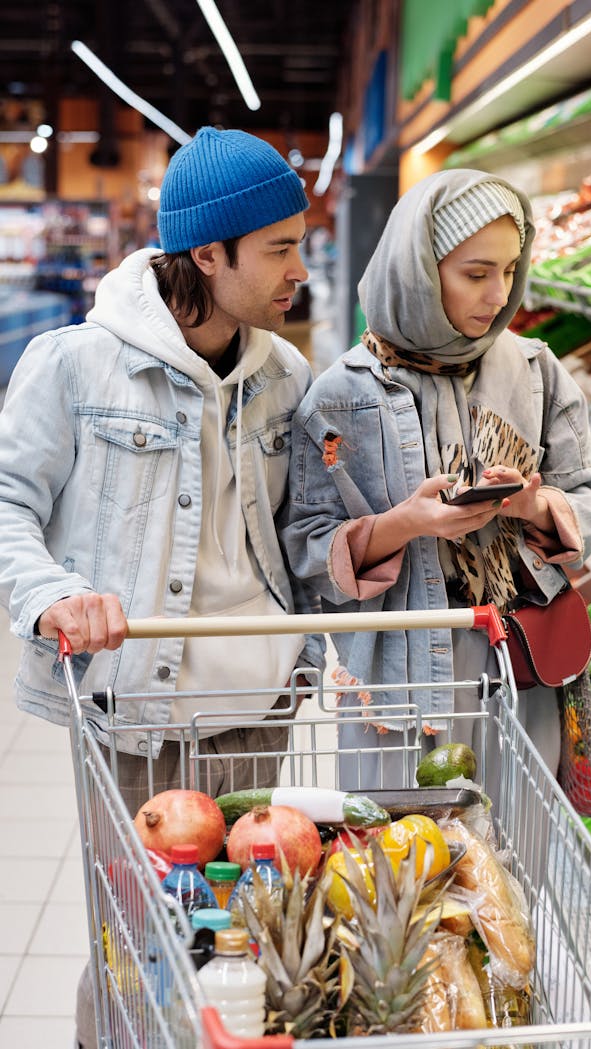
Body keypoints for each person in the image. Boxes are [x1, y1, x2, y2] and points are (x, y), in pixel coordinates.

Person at [0, 126, 323, 1047]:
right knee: (136, 944)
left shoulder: (284, 375)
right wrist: (53, 592)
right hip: (142, 709)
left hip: (261, 707)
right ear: (208, 254)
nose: (297, 266)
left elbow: (294, 539)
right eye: (280, 247)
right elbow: (7, 497)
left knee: (238, 945)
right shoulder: (73, 365)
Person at [283, 169, 591, 793]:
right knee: (399, 870)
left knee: (511, 870)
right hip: (397, 686)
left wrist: (535, 504)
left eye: (510, 269)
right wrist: (403, 525)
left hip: (517, 671)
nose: (499, 293)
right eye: (475, 273)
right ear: (418, 269)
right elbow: (305, 546)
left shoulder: (534, 371)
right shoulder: (339, 399)